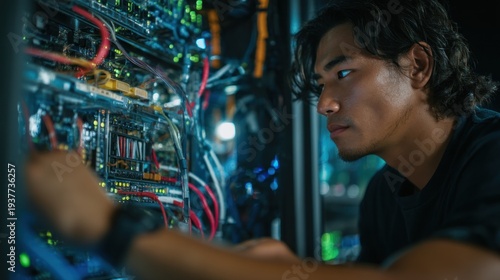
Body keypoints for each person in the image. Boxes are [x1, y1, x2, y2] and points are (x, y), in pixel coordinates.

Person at [25, 0, 500, 279]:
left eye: (344, 73)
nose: (324, 105)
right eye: (320, 85)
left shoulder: (492, 152)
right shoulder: (383, 195)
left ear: (418, 66)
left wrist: (115, 230)